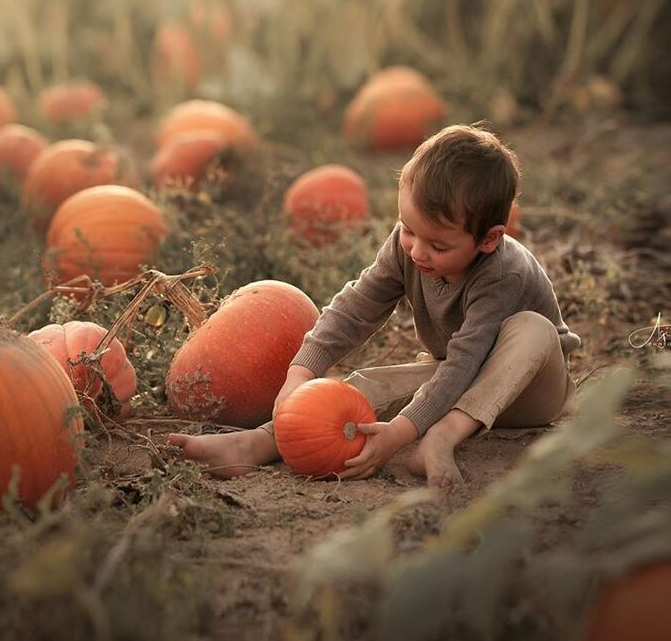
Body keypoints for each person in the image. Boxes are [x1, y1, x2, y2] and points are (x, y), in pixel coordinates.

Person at [167, 124, 581, 487]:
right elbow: (356, 305)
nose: (417, 250)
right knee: (369, 384)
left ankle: (442, 436)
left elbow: (466, 361)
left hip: (529, 391)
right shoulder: (410, 246)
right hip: (459, 377)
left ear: (488, 240)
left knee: (531, 327)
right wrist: (301, 372)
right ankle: (260, 440)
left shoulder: (502, 273)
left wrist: (404, 433)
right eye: (408, 230)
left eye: (438, 245)